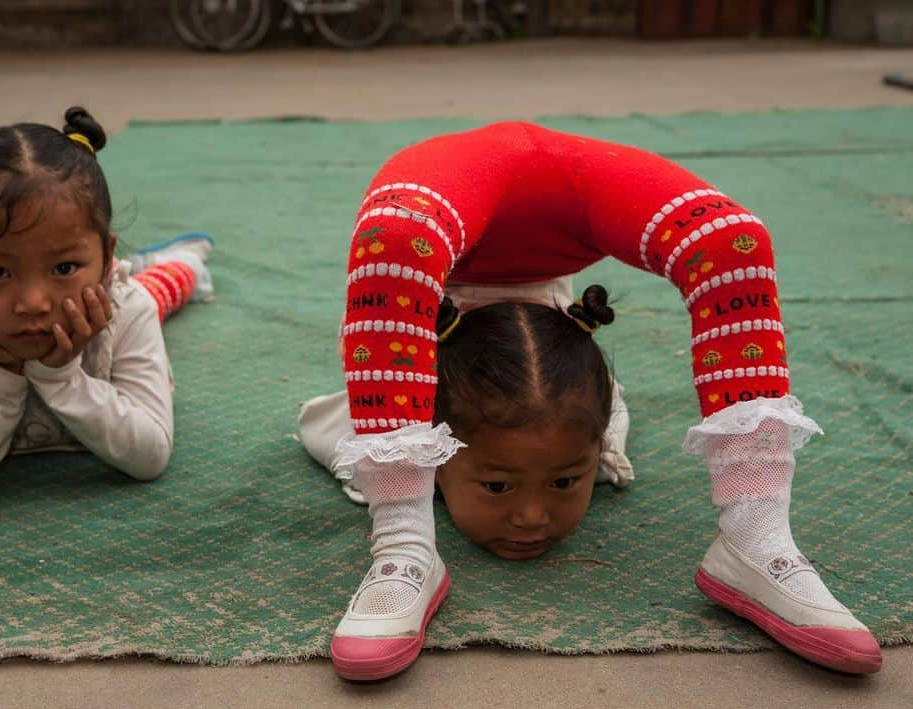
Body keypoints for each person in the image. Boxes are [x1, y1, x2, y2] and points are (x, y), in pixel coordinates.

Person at [298, 121, 882, 680]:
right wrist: (402, 496)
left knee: (733, 242)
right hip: (427, 227)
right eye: (497, 485)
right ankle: (404, 545)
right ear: (435, 444)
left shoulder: (587, 424)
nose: (530, 518)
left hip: (570, 190)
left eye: (561, 480)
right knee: (396, 240)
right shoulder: (370, 419)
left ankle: (758, 538)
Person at [0, 101, 211, 504]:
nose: (34, 303)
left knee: (162, 288)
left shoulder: (127, 308)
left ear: (106, 262)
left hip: (133, 292)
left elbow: (149, 455)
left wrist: (61, 378)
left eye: (63, 267)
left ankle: (182, 261)